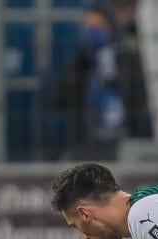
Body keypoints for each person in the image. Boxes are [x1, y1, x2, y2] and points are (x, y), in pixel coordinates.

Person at [53, 3, 151, 161]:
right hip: (88, 141)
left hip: (125, 138)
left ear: (110, 28)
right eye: (89, 27)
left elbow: (139, 98)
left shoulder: (128, 59)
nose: (93, 31)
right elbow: (61, 100)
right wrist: (81, 63)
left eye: (98, 26)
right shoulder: (80, 62)